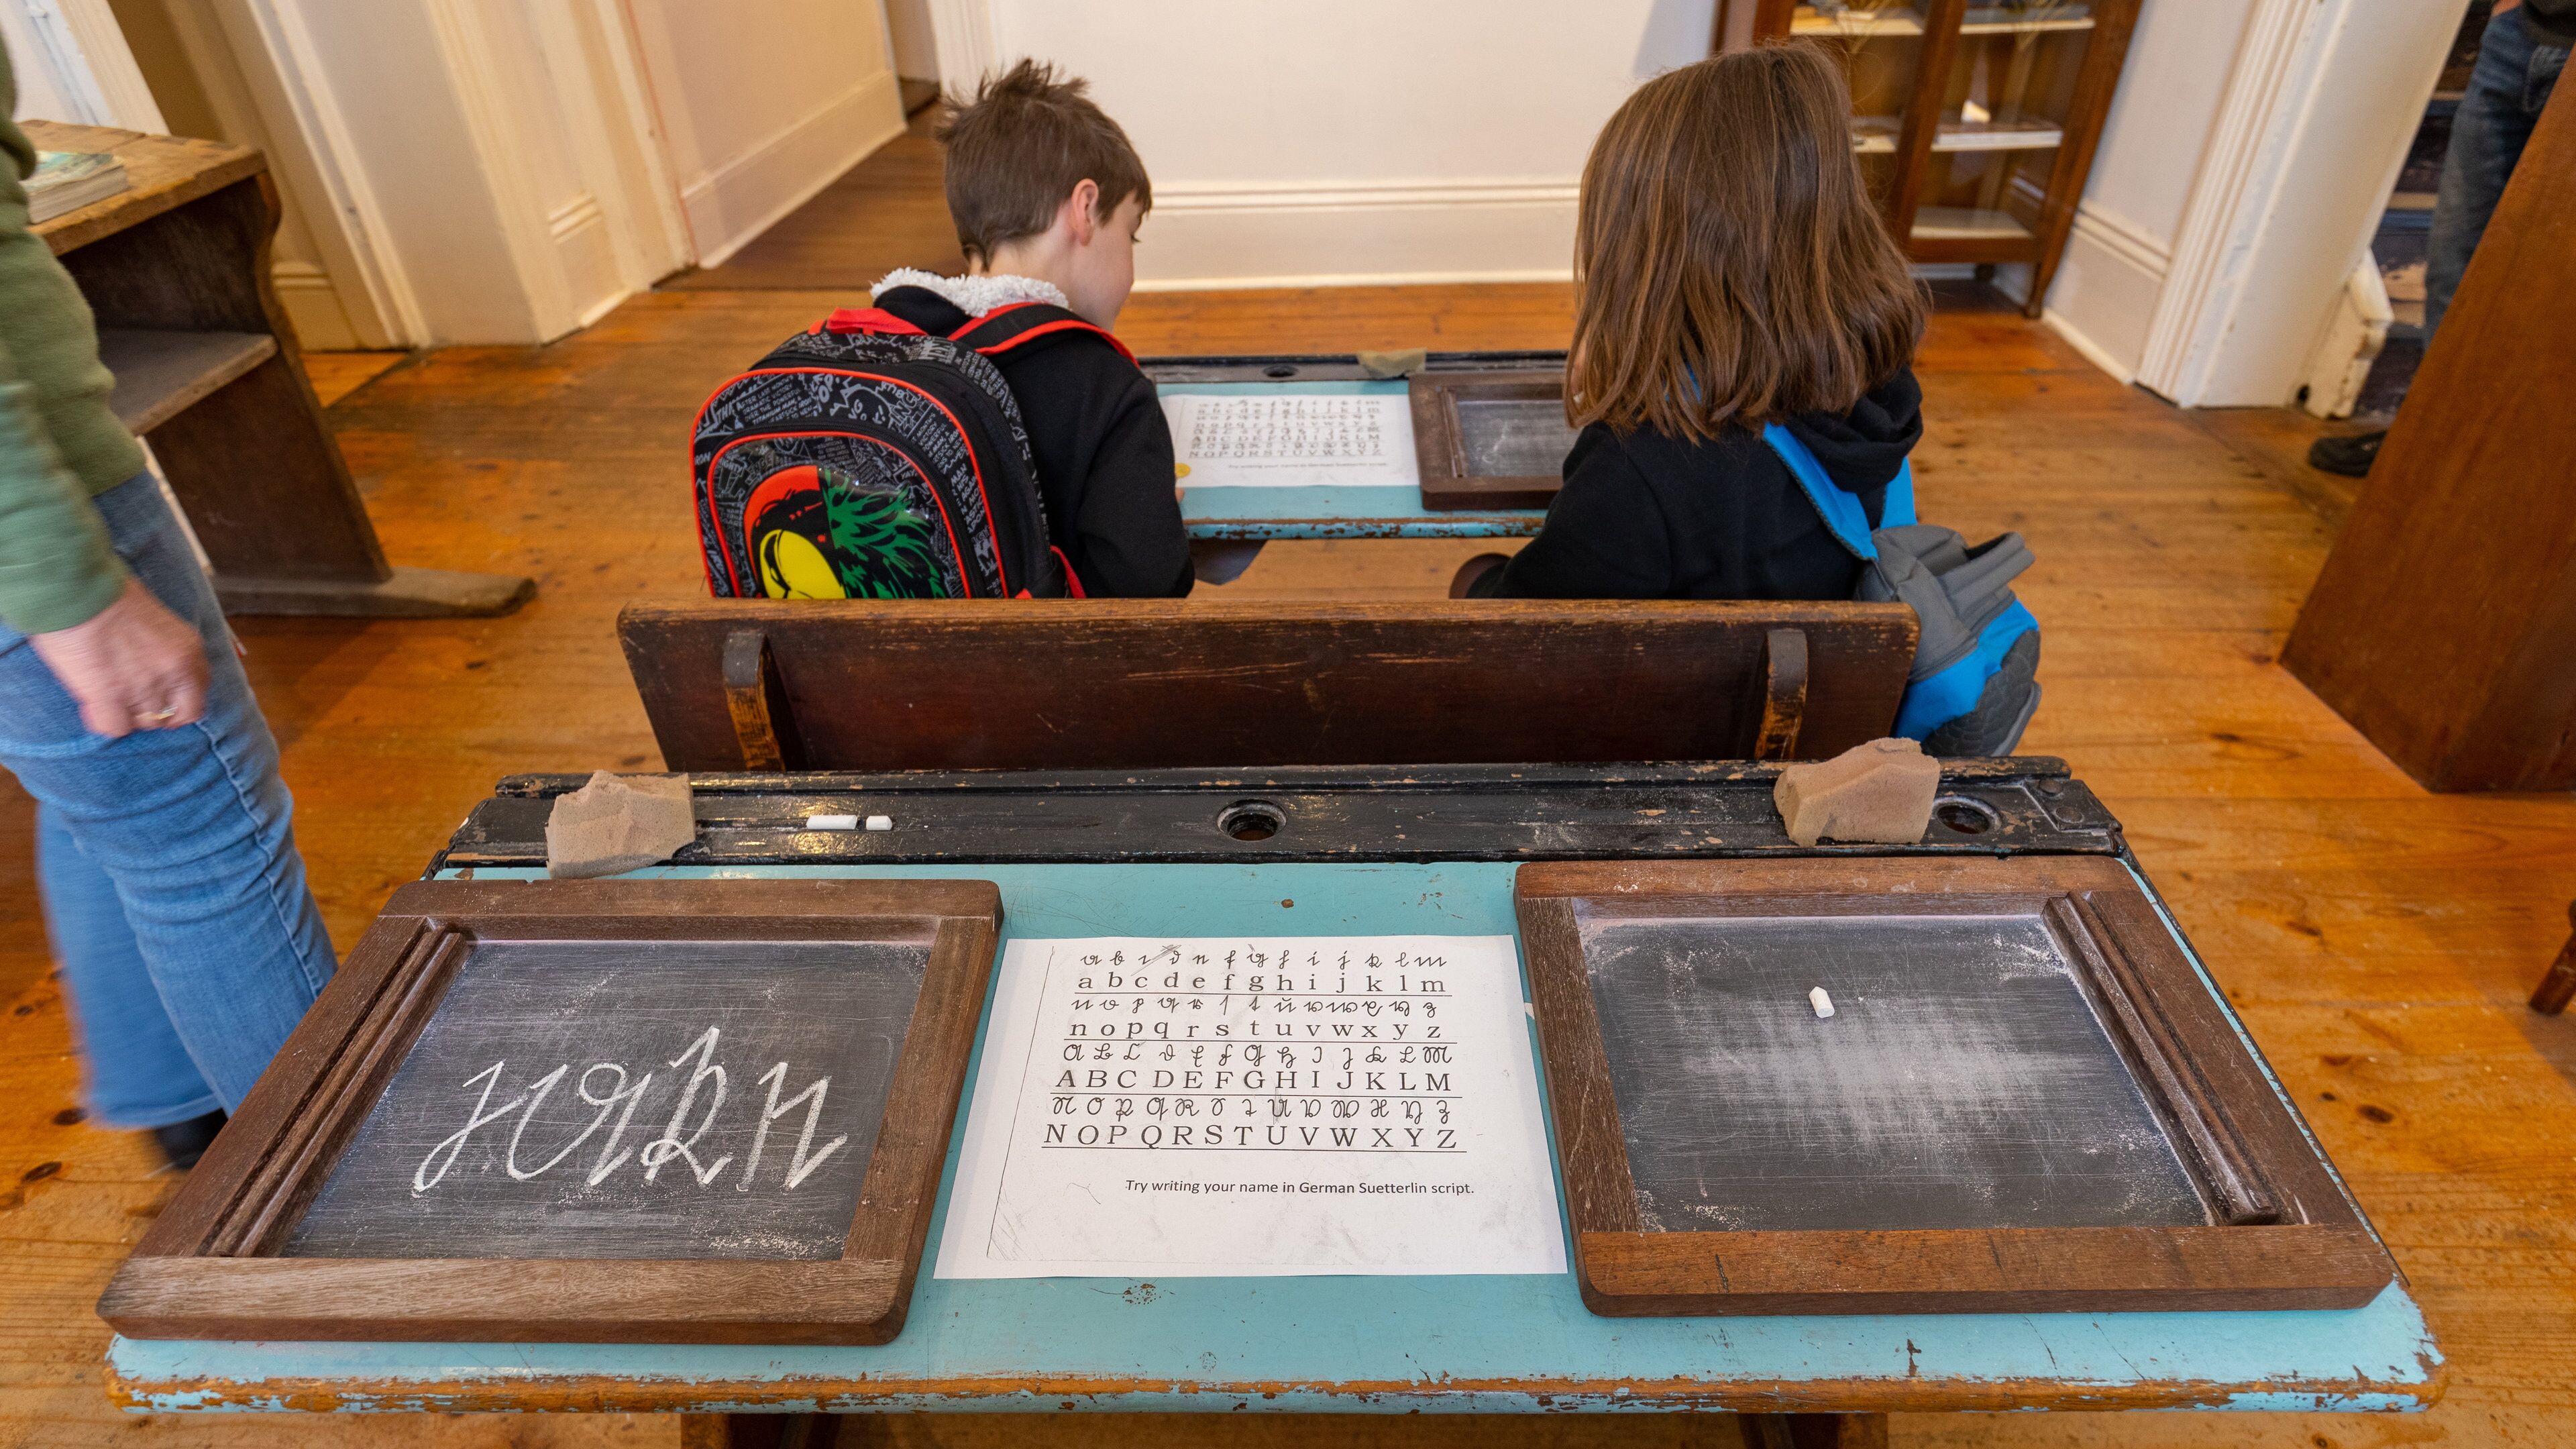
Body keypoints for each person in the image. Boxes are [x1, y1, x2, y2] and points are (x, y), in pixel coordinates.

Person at [0, 38, 335, 1167]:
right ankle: (349, 1202)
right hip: (39, 506)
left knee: (116, 796)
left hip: (42, 498)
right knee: (202, 828)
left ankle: (178, 1102)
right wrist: (72, 586)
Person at [1454, 44, 1925, 602]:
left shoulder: (1639, 473)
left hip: (1681, 691)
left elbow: (1524, 630)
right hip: (1823, 681)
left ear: (1644, 267)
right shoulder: (1877, 396)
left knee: (1475, 573)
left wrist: (1475, 581)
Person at [867, 60, 1191, 598]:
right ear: (1085, 210)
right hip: (1032, 680)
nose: (1130, 268)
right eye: (1130, 234)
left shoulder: (888, 346)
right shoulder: (1104, 388)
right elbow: (1148, 590)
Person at [2311, 0, 2569, 478]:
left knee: (2552, 285)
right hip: (2518, 37)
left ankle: (2509, 472)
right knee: (2455, 262)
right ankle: (2430, 437)